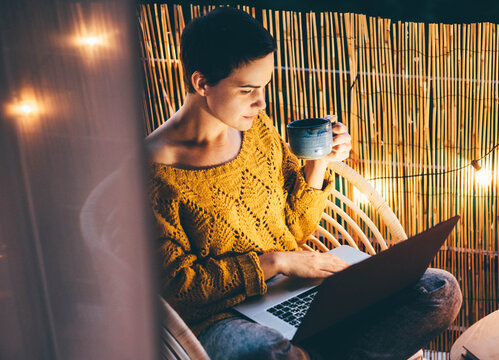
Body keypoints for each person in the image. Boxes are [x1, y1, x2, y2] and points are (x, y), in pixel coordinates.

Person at [145, 7, 462, 360]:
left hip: (293, 288)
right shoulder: (153, 174)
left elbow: (295, 228)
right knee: (271, 352)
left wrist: (319, 162)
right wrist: (274, 262)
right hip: (218, 319)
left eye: (263, 86)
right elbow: (177, 291)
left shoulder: (256, 129)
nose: (260, 102)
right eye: (247, 89)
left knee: (439, 290)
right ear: (201, 83)